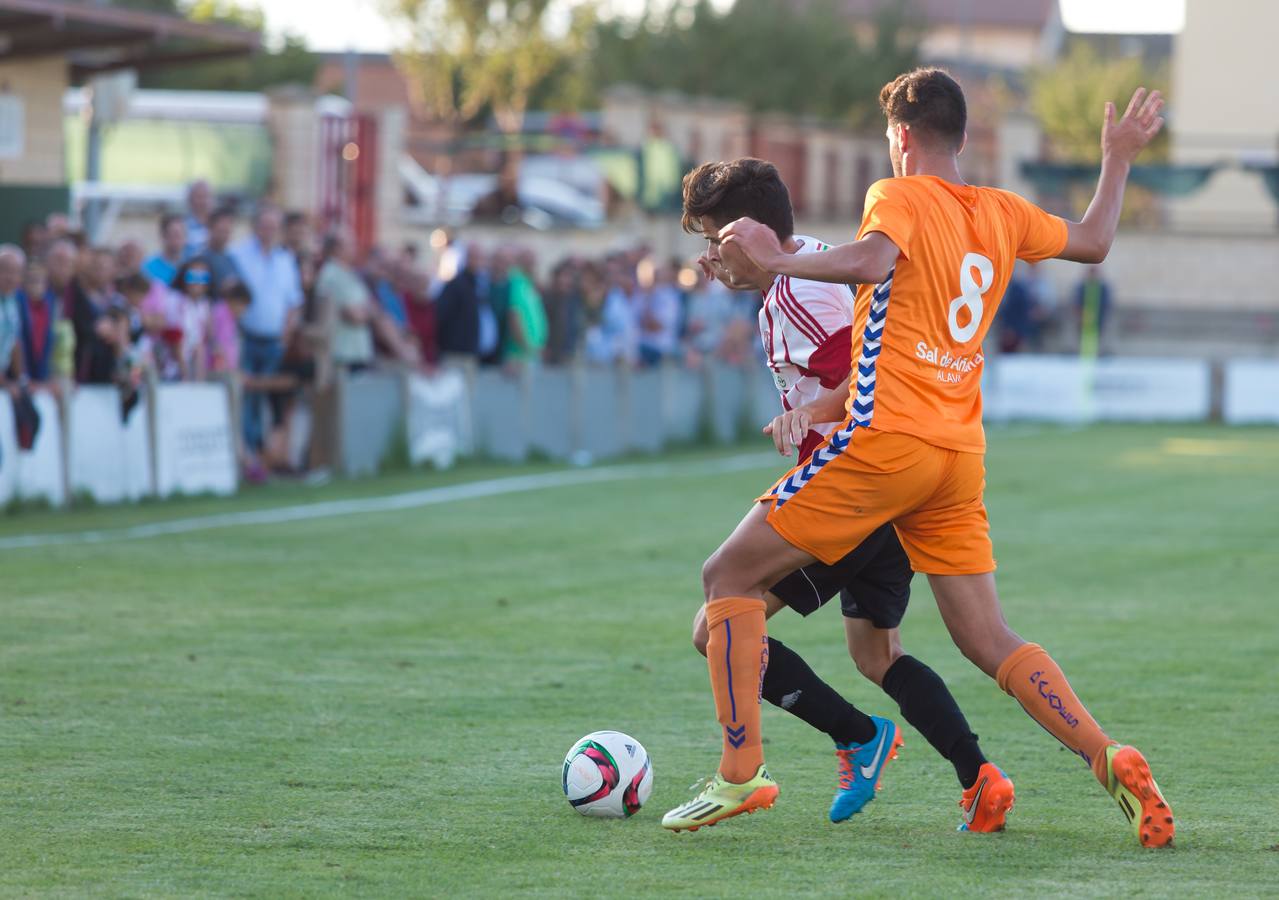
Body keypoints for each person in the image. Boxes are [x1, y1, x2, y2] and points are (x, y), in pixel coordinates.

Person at [668, 69, 1173, 848]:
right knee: (987, 638)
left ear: (901, 137)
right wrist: (1117, 158)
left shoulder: (898, 196)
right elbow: (1094, 241)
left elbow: (870, 263)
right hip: (957, 455)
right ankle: (1110, 758)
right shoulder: (1001, 212)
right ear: (962, 136)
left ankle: (740, 775)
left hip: (887, 443)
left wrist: (774, 259)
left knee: (723, 580)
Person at [675, 158, 1008, 830]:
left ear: (747, 232)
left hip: (850, 493)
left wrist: (815, 413)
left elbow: (867, 371)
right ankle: (979, 776)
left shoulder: (803, 294)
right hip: (893, 489)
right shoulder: (807, 273)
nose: (710, 258)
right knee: (874, 653)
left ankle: (829, 745)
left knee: (717, 625)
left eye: (714, 240)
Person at [230, 206, 303, 456]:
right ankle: (250, 449)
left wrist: (285, 334)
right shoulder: (239, 255)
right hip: (248, 337)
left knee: (267, 398)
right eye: (265, 226)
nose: (269, 232)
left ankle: (263, 451)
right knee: (247, 395)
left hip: (274, 340)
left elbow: (293, 302)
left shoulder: (285, 260)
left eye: (274, 227)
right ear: (255, 227)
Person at [314, 231, 376, 372]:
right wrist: (368, 313)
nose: (355, 248)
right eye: (350, 244)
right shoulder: (331, 275)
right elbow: (354, 315)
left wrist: (365, 311)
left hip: (358, 351)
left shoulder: (349, 273)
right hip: (343, 354)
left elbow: (369, 307)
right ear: (336, 249)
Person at [435, 244, 491, 362]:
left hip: (473, 354)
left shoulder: (479, 284)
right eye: (475, 258)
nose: (480, 263)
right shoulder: (456, 285)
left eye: (482, 258)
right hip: (457, 354)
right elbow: (441, 315)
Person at [17, 259, 60, 387]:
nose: (35, 284)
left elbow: (51, 341)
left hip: (42, 375)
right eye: (31, 279)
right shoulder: (16, 302)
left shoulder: (51, 303)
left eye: (39, 280)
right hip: (21, 377)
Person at [502, 249, 548, 367]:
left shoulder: (528, 283)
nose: (534, 265)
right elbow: (514, 314)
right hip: (520, 355)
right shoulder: (515, 281)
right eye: (530, 262)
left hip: (532, 353)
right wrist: (526, 346)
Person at [197, 207, 243, 298]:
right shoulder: (199, 260)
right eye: (221, 231)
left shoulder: (231, 259)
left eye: (228, 231)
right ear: (210, 228)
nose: (225, 235)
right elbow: (196, 292)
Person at [0, 245, 26, 388]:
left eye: (16, 272)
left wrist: (21, 379)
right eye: (5, 270)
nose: (11, 277)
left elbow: (14, 341)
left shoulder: (14, 300)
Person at [1074, 265, 1112, 358]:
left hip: (1099, 319)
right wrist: (1082, 315)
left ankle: (1097, 354)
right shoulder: (1082, 287)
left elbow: (1106, 304)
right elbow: (1076, 303)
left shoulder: (1103, 288)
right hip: (1083, 320)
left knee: (1096, 339)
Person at [143, 214, 188, 285]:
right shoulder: (147, 268)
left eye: (181, 234)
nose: (178, 239)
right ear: (163, 236)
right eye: (174, 234)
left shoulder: (192, 266)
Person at [184, 179, 215, 257]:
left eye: (207, 196)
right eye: (199, 197)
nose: (204, 201)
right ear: (190, 199)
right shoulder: (183, 227)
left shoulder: (218, 226)